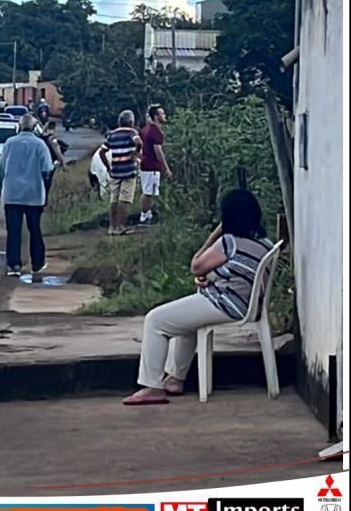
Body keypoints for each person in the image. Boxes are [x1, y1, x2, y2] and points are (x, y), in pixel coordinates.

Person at [123, 189, 274, 405]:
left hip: (225, 304)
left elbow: (196, 264)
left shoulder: (229, 241)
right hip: (244, 304)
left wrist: (215, 233)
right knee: (185, 323)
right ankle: (174, 379)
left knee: (155, 320)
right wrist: (207, 279)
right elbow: (237, 274)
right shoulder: (264, 244)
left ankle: (151, 386)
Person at [0, 113, 54, 280]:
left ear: (19, 127)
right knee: (34, 229)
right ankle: (37, 264)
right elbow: (47, 170)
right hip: (34, 195)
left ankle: (14, 265)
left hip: (12, 194)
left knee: (13, 231)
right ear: (35, 127)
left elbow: (0, 169)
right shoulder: (40, 145)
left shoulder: (9, 144)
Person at [98, 110, 141, 236]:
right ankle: (120, 226)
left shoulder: (112, 134)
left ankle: (112, 227)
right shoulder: (131, 133)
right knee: (124, 198)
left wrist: (108, 166)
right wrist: (136, 155)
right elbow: (139, 143)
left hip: (115, 170)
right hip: (128, 170)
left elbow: (102, 152)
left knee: (114, 199)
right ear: (131, 121)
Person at [139, 104, 172, 225]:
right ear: (156, 116)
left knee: (150, 191)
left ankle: (148, 214)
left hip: (145, 164)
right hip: (151, 166)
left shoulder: (145, 129)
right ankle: (144, 216)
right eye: (162, 114)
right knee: (148, 192)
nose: (164, 116)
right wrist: (166, 168)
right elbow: (158, 151)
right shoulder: (155, 131)